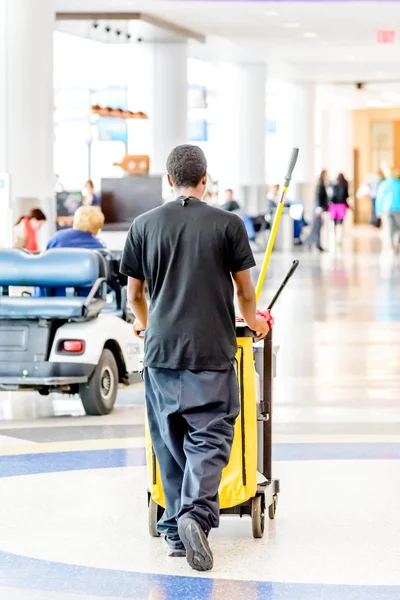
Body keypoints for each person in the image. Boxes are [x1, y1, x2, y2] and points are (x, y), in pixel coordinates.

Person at [120, 145, 270, 572]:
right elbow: (244, 290)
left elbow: (135, 296)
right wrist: (254, 321)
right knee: (212, 435)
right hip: (211, 349)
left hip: (161, 350)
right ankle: (195, 517)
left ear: (169, 181)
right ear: (206, 179)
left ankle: (173, 529)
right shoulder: (227, 224)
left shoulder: (143, 225)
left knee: (169, 439)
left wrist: (146, 323)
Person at [376, 167, 400, 252]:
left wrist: (378, 210)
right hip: (398, 208)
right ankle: (396, 243)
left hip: (387, 209)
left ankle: (391, 246)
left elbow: (379, 198)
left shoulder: (384, 184)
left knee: (389, 227)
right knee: (398, 227)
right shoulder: (398, 183)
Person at [305, 170, 329, 252]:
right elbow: (319, 197)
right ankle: (309, 241)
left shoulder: (323, 185)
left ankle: (318, 244)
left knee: (318, 227)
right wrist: (319, 207)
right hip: (318, 208)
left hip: (320, 208)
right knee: (315, 227)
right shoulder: (320, 185)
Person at [329, 173, 350, 246]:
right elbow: (347, 195)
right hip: (342, 205)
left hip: (334, 206)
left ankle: (335, 238)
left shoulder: (334, 185)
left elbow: (331, 196)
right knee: (340, 223)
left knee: (334, 223)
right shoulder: (345, 184)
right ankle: (340, 238)